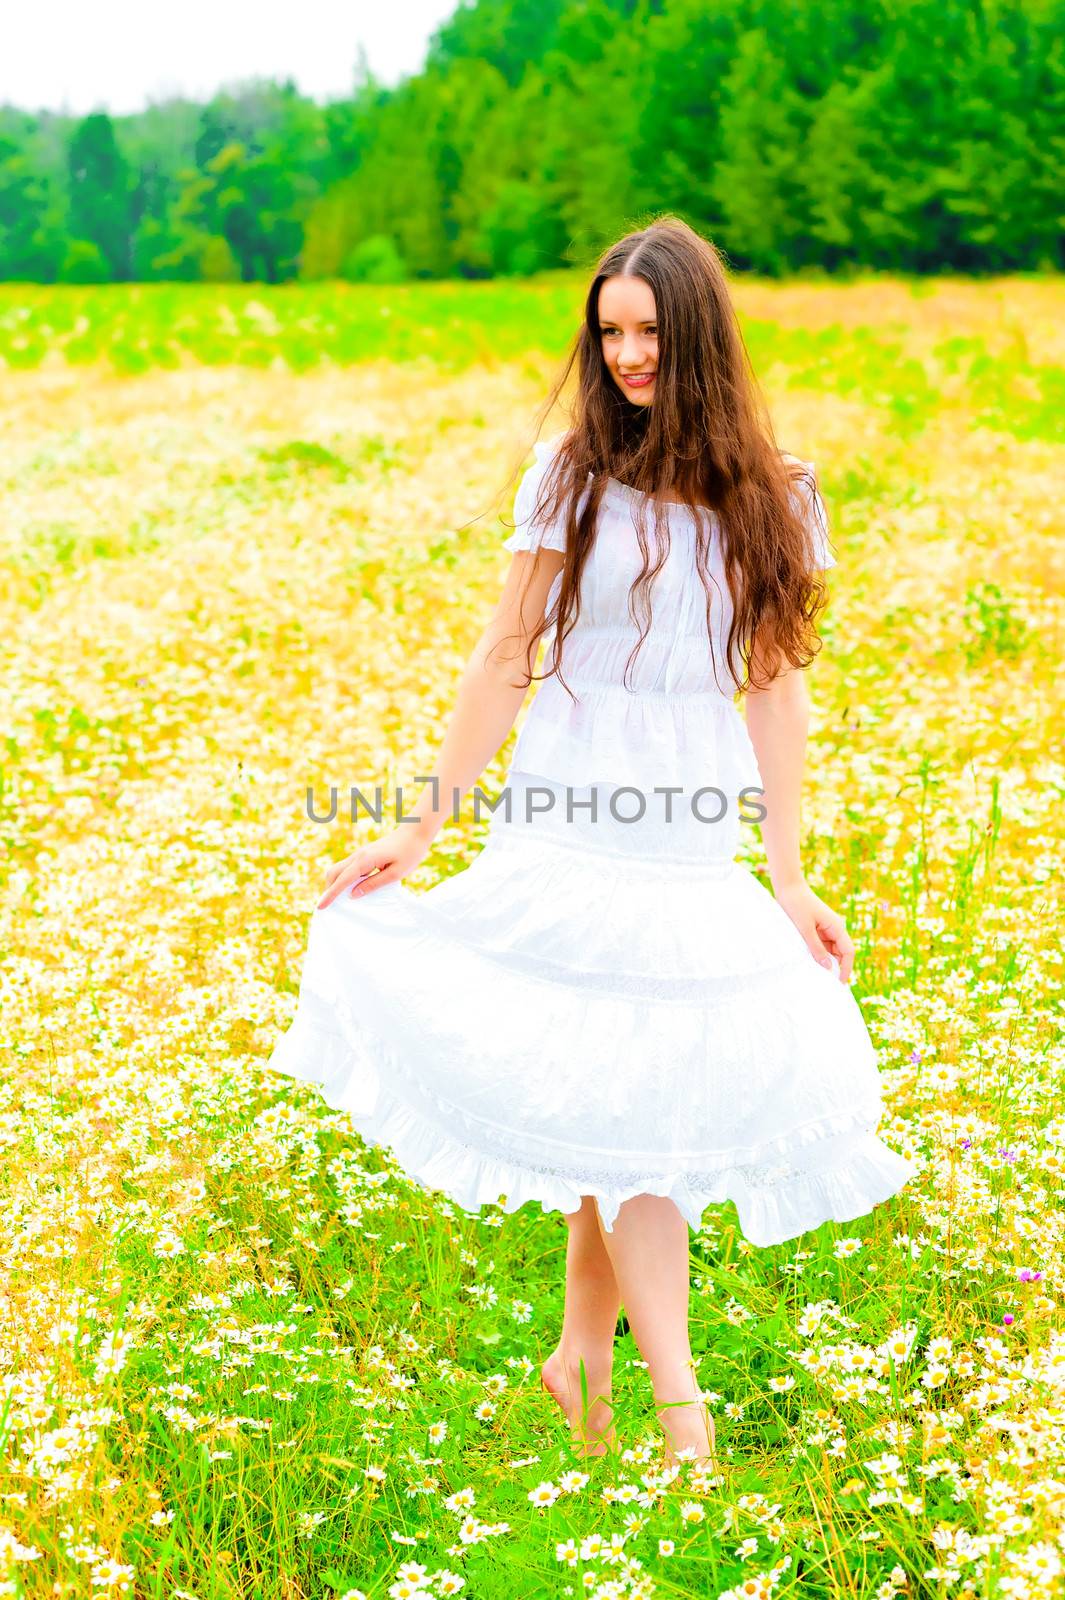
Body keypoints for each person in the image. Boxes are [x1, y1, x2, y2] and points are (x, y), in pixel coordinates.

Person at [265, 216, 917, 1468]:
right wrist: (422, 820)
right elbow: (510, 651)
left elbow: (775, 687)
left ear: (699, 340)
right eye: (609, 330)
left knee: (628, 1090)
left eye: (648, 333)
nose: (624, 354)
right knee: (632, 1096)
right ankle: (686, 1421)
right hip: (569, 805)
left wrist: (788, 874)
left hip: (683, 827)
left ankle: (579, 1354)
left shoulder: (780, 494)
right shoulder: (570, 471)